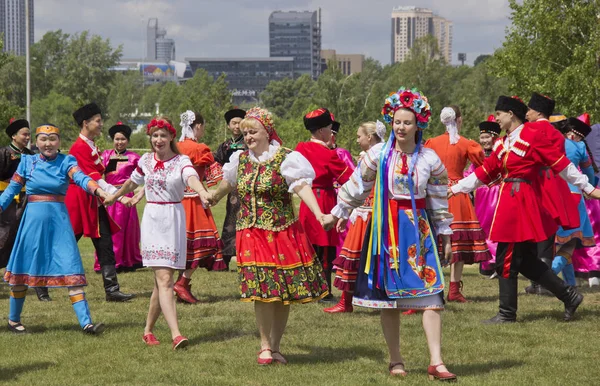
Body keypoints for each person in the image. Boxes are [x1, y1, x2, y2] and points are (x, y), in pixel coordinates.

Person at [323, 88, 456, 380]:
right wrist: (337, 214)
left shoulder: (430, 159)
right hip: (385, 230)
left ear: (418, 124)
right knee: (389, 300)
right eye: (397, 122)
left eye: (407, 122)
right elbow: (358, 186)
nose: (401, 127)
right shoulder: (378, 155)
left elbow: (438, 199)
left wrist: (446, 234)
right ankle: (396, 359)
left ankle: (436, 361)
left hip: (420, 232)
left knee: (432, 297)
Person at [450, 95, 600, 324]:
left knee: (506, 258)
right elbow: (486, 171)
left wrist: (589, 188)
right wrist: (457, 188)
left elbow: (560, 163)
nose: (496, 119)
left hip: (521, 203)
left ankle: (507, 313)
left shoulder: (532, 135)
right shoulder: (504, 142)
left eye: (499, 114)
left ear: (511, 114)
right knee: (526, 260)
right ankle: (569, 295)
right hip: (511, 202)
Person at [207, 107, 329, 365]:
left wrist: (319, 214)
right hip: (250, 232)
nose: (248, 136)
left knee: (282, 291)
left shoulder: (285, 158)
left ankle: (275, 346)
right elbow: (228, 183)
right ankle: (264, 345)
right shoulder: (239, 160)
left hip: (282, 231)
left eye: (253, 131)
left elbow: (301, 186)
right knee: (261, 289)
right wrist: (214, 196)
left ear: (267, 132)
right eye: (245, 132)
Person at [105, 116, 210, 350]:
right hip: (153, 220)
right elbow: (133, 182)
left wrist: (202, 192)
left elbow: (190, 177)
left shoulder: (181, 160)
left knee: (160, 283)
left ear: (172, 137)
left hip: (174, 219)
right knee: (165, 280)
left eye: (163, 135)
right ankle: (176, 334)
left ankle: (147, 330)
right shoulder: (146, 160)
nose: (158, 139)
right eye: (154, 135)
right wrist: (115, 195)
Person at [1, 124, 109, 334]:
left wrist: (98, 190)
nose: (48, 144)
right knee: (22, 272)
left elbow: (81, 178)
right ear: (36, 141)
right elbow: (11, 190)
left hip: (59, 224)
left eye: (52, 139)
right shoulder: (27, 162)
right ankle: (13, 321)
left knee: (71, 266)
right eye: (43, 139)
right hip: (31, 225)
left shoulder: (67, 161)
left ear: (59, 141)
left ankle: (86, 323)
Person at [65, 103, 134, 302]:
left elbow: (98, 178)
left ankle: (112, 290)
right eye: (98, 120)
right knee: (66, 242)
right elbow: (95, 178)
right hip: (79, 201)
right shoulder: (79, 147)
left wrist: (117, 195)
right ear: (85, 123)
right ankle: (40, 285)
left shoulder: (90, 145)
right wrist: (120, 196)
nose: (101, 124)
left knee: (104, 242)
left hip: (92, 200)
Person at [425, 106, 491, 302]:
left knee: (433, 243)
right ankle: (453, 289)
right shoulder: (466, 144)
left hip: (436, 193)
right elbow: (483, 165)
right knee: (458, 244)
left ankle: (432, 286)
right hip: (457, 194)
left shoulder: (432, 143)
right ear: (459, 120)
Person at [324, 121, 385, 314]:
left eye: (359, 136)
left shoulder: (379, 156)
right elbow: (356, 190)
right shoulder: (370, 156)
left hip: (378, 212)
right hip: (364, 211)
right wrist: (346, 211)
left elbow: (359, 187)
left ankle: (400, 300)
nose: (357, 140)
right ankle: (346, 301)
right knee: (353, 254)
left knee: (372, 256)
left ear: (369, 137)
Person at [524, 93, 580, 295]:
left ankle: (536, 282)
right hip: (554, 184)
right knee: (547, 237)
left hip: (533, 184)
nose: (527, 113)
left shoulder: (528, 129)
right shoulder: (557, 134)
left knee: (531, 235)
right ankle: (544, 283)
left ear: (538, 111)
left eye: (529, 109)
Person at [295, 108, 353, 301]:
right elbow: (349, 179)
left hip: (306, 200)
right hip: (324, 199)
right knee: (326, 247)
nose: (331, 132)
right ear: (321, 131)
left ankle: (307, 287)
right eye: (329, 128)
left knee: (308, 245)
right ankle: (324, 290)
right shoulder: (328, 154)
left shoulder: (301, 148)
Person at [175, 110, 225, 304]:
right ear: (197, 126)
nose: (203, 131)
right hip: (194, 201)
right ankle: (182, 282)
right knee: (204, 244)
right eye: (202, 127)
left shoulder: (176, 147)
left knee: (182, 245)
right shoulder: (199, 148)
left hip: (176, 200)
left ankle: (182, 285)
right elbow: (216, 177)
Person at [551, 117, 596, 285]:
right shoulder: (579, 146)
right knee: (571, 241)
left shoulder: (551, 143)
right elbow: (589, 172)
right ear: (575, 135)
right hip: (574, 194)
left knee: (559, 242)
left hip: (552, 194)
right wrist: (591, 188)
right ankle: (548, 275)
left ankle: (570, 282)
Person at [93, 121, 143, 273]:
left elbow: (144, 175)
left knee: (126, 230)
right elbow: (95, 171)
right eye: (117, 139)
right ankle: (109, 261)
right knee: (108, 231)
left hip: (126, 197)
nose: (119, 142)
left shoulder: (134, 158)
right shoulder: (105, 155)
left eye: (122, 139)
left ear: (127, 140)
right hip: (109, 197)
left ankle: (127, 260)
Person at [465, 115, 502, 277]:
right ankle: (487, 264)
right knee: (483, 229)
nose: (485, 140)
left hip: (497, 193)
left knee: (496, 228)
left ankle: (496, 262)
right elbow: (470, 173)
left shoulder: (500, 153)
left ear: (494, 138)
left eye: (487, 137)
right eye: (482, 137)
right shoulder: (478, 156)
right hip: (481, 196)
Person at [213, 108, 246, 271]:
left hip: (246, 186)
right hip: (231, 189)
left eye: (240, 122)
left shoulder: (248, 143)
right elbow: (215, 161)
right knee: (230, 222)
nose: (237, 126)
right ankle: (225, 257)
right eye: (234, 123)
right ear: (228, 125)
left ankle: (245, 256)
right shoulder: (225, 145)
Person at [0, 120, 34, 271]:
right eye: (24, 134)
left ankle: (17, 269)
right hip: (7, 198)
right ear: (14, 136)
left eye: (29, 135)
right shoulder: (4, 153)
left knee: (23, 233)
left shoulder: (30, 155)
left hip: (26, 198)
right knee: (5, 233)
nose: (27, 138)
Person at [571, 121, 600, 286]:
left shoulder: (576, 149)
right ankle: (591, 273)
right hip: (590, 193)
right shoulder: (581, 149)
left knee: (579, 235)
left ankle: (584, 273)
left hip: (585, 196)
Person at [326, 117, 356, 261]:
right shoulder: (319, 151)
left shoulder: (341, 153)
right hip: (325, 194)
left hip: (340, 194)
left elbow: (351, 175)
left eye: (333, 134)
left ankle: (341, 259)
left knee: (341, 228)